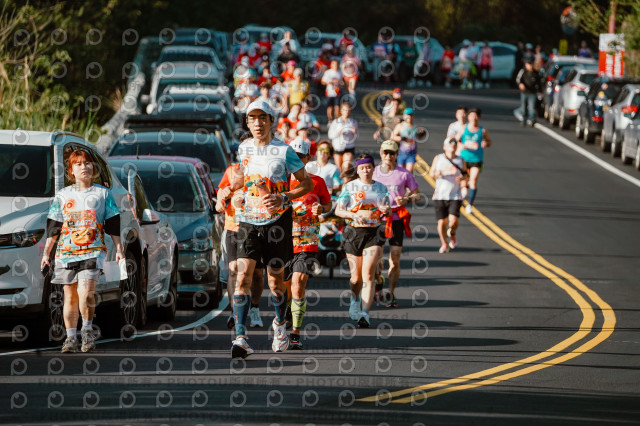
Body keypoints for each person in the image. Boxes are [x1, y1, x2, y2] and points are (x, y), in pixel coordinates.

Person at [231, 99, 314, 359]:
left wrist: (283, 197)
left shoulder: (284, 150)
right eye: (252, 118)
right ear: (247, 123)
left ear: (270, 121)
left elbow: (307, 184)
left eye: (262, 118)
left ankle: (279, 325)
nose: (257, 123)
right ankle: (240, 338)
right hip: (248, 220)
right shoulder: (244, 148)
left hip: (277, 222)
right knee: (243, 277)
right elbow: (244, 180)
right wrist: (234, 192)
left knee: (275, 281)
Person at [41, 149, 124, 353]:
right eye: (78, 164)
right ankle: (70, 338)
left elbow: (113, 223)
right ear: (71, 170)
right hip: (66, 252)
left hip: (93, 251)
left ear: (93, 167)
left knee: (86, 293)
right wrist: (46, 254)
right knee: (69, 296)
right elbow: (54, 226)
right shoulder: (63, 196)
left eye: (87, 163)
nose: (84, 167)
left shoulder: (103, 194)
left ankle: (86, 331)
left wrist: (119, 249)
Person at [284, 138, 333, 349]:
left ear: (308, 158)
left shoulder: (317, 181)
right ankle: (288, 308)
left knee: (299, 282)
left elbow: (328, 204)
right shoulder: (281, 181)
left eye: (300, 157)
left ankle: (295, 332)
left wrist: (321, 209)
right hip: (283, 240)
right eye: (293, 157)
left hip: (307, 240)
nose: (296, 160)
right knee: (283, 286)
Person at [335, 154, 390, 327]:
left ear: (373, 169)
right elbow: (338, 210)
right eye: (362, 168)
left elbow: (387, 210)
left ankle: (365, 314)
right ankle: (355, 300)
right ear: (358, 170)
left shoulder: (381, 188)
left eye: (368, 167)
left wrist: (386, 210)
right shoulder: (350, 187)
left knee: (368, 274)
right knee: (356, 278)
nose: (366, 170)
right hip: (353, 233)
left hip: (374, 233)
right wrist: (352, 215)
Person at [216, 164, 266, 330]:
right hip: (233, 227)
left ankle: (255, 308)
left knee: (257, 273)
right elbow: (221, 193)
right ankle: (234, 312)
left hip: (255, 227)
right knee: (234, 270)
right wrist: (221, 201)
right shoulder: (232, 170)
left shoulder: (262, 166)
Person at [372, 140, 421, 307]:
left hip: (396, 219)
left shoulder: (404, 174)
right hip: (378, 219)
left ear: (396, 155)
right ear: (381, 153)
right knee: (375, 258)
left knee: (395, 258)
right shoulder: (374, 172)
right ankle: (379, 280)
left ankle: (391, 293)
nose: (388, 156)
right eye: (385, 152)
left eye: (391, 153)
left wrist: (406, 199)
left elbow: (417, 195)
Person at [429, 138, 467, 253]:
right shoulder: (438, 158)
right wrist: (437, 173)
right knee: (441, 222)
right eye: (450, 145)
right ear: (444, 147)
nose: (452, 146)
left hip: (455, 195)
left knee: (453, 221)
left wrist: (462, 178)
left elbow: (466, 174)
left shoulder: (461, 160)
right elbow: (431, 173)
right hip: (440, 195)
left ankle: (452, 233)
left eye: (454, 145)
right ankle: (444, 243)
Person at [455, 108, 492, 214]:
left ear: (479, 118)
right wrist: (462, 145)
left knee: (473, 180)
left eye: (475, 116)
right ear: (468, 117)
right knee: (463, 182)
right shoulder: (464, 129)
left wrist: (486, 143)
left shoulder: (482, 131)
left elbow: (489, 142)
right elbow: (456, 140)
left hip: (476, 159)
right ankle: (461, 197)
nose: (473, 118)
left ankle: (470, 205)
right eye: (471, 116)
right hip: (464, 158)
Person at [328, 101, 358, 170]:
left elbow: (357, 136)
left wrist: (355, 132)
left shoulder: (353, 122)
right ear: (341, 111)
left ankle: (346, 176)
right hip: (337, 147)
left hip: (349, 147)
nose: (347, 112)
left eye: (348, 110)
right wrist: (338, 132)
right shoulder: (336, 122)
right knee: (339, 168)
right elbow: (330, 135)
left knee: (346, 166)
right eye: (345, 110)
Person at [516, 58, 542, 127]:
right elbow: (518, 79)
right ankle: (524, 119)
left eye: (531, 64)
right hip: (524, 92)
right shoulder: (523, 71)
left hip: (532, 92)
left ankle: (532, 120)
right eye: (528, 64)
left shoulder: (536, 73)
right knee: (524, 107)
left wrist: (540, 92)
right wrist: (520, 84)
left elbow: (539, 83)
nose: (530, 66)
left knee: (532, 107)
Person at [391, 107, 418, 173]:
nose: (409, 117)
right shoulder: (400, 126)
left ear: (414, 116)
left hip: (412, 153)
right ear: (404, 116)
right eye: (408, 115)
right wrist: (401, 138)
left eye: (411, 115)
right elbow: (392, 136)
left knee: (409, 172)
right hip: (402, 152)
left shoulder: (416, 127)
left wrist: (422, 134)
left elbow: (419, 138)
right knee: (401, 172)